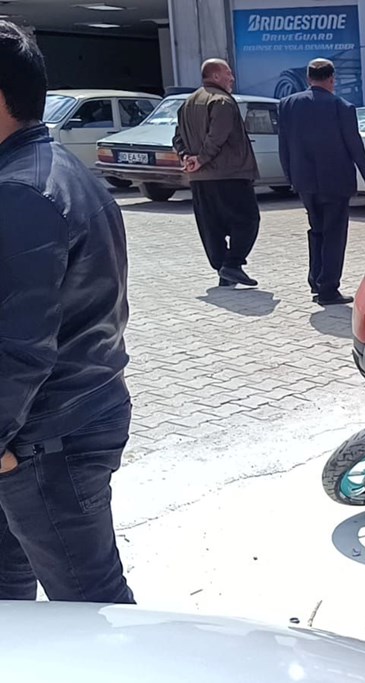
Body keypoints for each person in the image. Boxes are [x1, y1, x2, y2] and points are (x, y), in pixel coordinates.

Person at [0, 20, 135, 604]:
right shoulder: (53, 168)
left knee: (90, 608)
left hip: (42, 438)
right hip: (56, 422)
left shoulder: (22, 191)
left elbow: (17, 344)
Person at [278, 59, 365, 307]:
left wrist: (290, 177)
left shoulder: (288, 104)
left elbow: (284, 145)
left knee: (316, 229)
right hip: (335, 182)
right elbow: (354, 145)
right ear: (332, 79)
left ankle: (316, 279)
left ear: (308, 78)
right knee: (334, 234)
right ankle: (328, 288)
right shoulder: (342, 107)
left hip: (304, 182)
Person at [173, 58, 261, 289]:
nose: (232, 78)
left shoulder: (188, 103)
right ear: (214, 76)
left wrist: (186, 158)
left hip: (200, 179)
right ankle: (232, 264)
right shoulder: (222, 101)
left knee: (212, 226)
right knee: (248, 220)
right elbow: (217, 136)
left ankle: (224, 270)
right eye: (227, 73)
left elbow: (177, 137)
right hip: (229, 174)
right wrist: (200, 159)